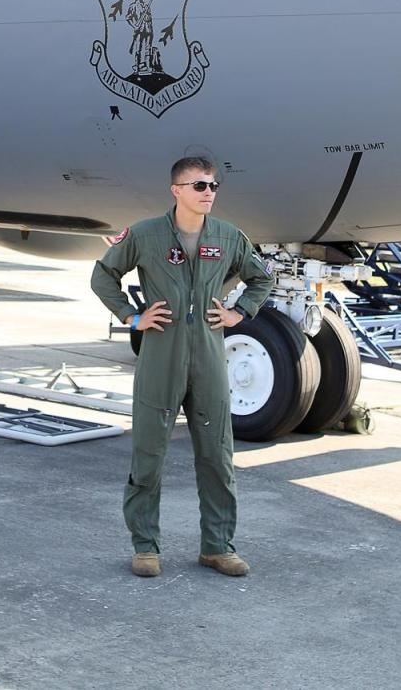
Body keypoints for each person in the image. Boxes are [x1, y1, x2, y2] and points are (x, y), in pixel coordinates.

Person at [91, 156, 275, 578]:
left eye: (213, 185)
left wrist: (239, 312)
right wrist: (131, 316)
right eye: (199, 186)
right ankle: (145, 547)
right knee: (149, 455)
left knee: (217, 457)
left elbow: (262, 277)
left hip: (208, 358)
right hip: (161, 356)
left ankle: (218, 547)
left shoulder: (228, 236)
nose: (209, 192)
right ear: (177, 190)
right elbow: (103, 275)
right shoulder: (145, 234)